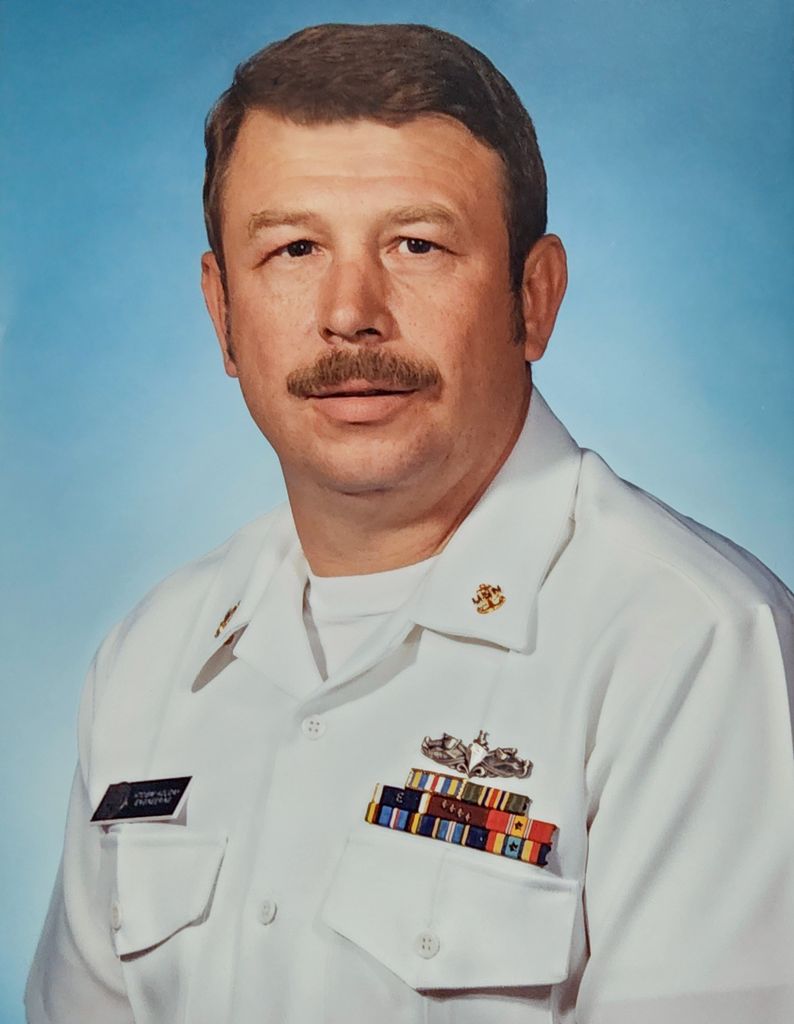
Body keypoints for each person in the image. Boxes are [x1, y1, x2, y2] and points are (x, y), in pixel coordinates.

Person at [25, 22, 794, 1024]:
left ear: (533, 299)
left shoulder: (692, 649)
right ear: (222, 313)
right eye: (293, 249)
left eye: (416, 245)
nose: (350, 312)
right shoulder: (149, 658)